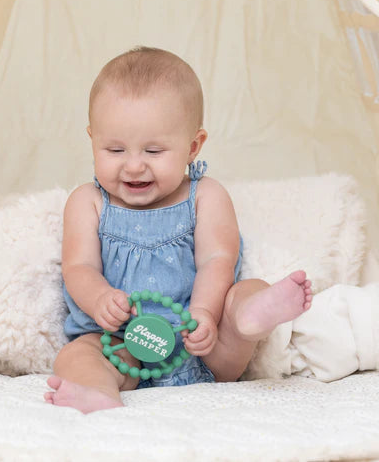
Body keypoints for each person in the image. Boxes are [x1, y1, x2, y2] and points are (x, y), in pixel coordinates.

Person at [44, 46, 313, 413]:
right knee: (77, 355)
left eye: (153, 152)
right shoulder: (87, 202)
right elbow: (78, 267)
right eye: (115, 149)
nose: (134, 166)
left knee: (245, 291)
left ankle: (251, 318)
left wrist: (204, 312)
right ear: (92, 139)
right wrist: (99, 298)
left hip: (202, 340)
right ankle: (98, 390)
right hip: (119, 343)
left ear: (192, 146)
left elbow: (218, 259)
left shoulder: (206, 196)